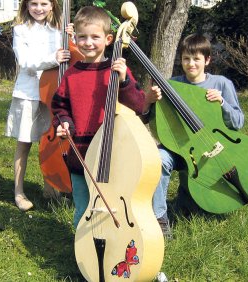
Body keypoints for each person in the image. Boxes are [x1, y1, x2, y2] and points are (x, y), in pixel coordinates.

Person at [51, 6, 162, 228]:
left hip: (113, 155)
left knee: (115, 207)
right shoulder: (71, 74)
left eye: (95, 37)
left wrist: (124, 82)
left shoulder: (116, 70)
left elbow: (139, 106)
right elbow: (59, 107)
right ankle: (83, 256)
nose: (88, 42)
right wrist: (64, 124)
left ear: (109, 39)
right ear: (75, 38)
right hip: (80, 156)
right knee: (84, 209)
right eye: (82, 37)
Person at [152, 33, 245, 237]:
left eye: (196, 59)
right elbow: (156, 121)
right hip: (180, 148)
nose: (191, 63)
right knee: (158, 159)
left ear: (207, 60)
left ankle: (193, 198)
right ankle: (159, 219)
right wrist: (152, 100)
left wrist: (222, 104)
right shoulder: (172, 85)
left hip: (212, 147)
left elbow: (238, 123)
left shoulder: (221, 84)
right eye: (186, 58)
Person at [5, 0, 73, 212]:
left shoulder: (59, 29)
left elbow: (75, 56)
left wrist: (72, 38)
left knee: (52, 143)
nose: (39, 8)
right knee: (24, 143)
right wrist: (53, 58)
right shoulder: (20, 30)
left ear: (52, 5)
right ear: (26, 6)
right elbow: (25, 61)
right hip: (29, 92)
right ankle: (18, 191)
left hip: (53, 91)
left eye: (44, 3)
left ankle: (51, 187)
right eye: (34, 3)